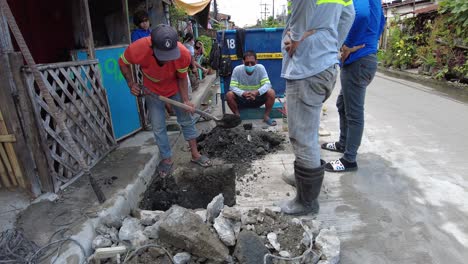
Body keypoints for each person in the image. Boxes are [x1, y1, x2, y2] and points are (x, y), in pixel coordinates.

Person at [278, 0, 355, 215]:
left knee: (302, 136)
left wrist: (295, 38)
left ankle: (307, 202)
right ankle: (303, 179)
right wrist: (329, 44)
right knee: (308, 130)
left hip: (307, 66)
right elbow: (348, 15)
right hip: (324, 64)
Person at [119, 24, 212, 177]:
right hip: (151, 90)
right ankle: (167, 160)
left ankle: (195, 155)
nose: (167, 60)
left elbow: (182, 78)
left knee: (186, 119)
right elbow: (122, 63)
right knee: (158, 126)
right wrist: (131, 83)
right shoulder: (139, 48)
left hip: (174, 86)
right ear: (152, 46)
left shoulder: (183, 53)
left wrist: (185, 100)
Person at [322, 0, 386, 172]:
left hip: (358, 61)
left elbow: (360, 15)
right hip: (364, 57)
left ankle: (349, 159)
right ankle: (344, 143)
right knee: (342, 104)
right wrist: (371, 41)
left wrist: (348, 45)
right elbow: (381, 22)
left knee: (354, 113)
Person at [226, 50, 277, 126]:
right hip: (242, 99)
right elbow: (232, 87)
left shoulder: (260, 68)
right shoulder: (237, 70)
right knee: (229, 95)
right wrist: (243, 93)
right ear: (243, 62)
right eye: (247, 63)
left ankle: (266, 116)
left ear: (256, 61)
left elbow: (267, 84)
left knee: (271, 92)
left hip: (257, 98)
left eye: (252, 63)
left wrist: (256, 92)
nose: (250, 65)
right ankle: (237, 116)